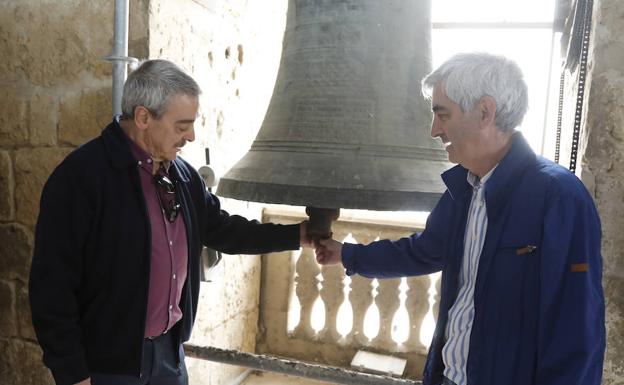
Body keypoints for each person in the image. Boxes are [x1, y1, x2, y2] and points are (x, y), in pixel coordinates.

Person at [315, 53, 605, 385]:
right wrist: (348, 254)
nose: (434, 130)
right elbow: (423, 251)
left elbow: (576, 330)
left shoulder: (559, 197)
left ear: (485, 112)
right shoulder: (466, 188)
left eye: (443, 114)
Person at [29, 59, 311, 385]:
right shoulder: (81, 177)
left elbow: (223, 230)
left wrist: (298, 235)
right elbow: (52, 286)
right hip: (107, 365)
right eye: (182, 126)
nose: (191, 136)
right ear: (144, 117)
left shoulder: (184, 176)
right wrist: (72, 372)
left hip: (169, 356)